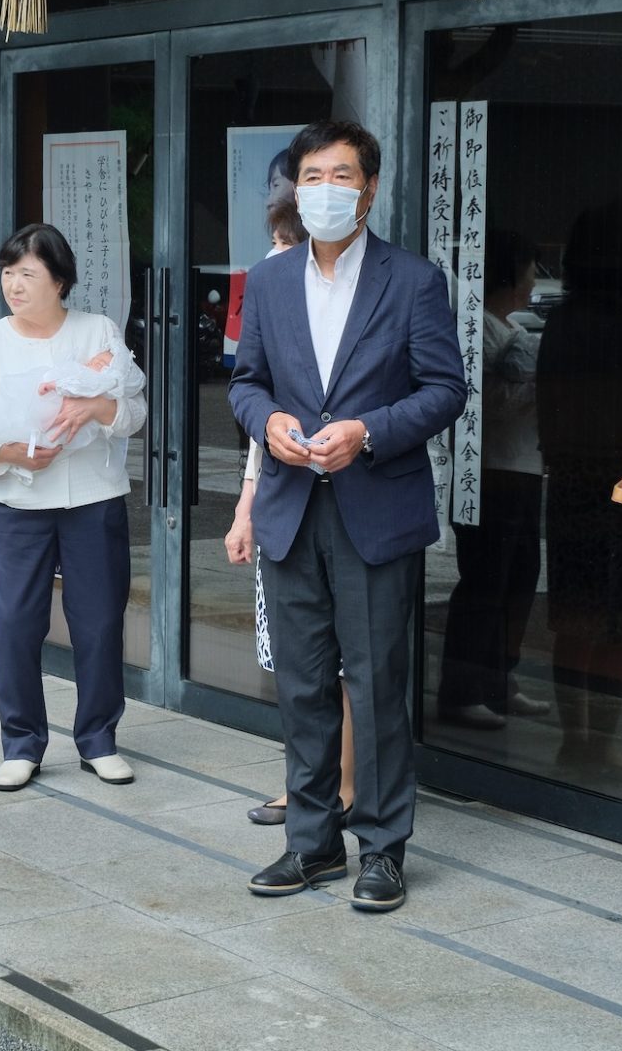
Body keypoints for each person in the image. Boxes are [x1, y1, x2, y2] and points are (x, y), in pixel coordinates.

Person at [229, 119, 466, 912]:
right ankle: (311, 843)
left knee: (376, 685)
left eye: (342, 174)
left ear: (369, 188)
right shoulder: (268, 281)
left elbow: (444, 389)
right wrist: (267, 424)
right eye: (313, 174)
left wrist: (369, 431)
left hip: (374, 508)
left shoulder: (412, 280)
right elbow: (245, 381)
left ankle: (384, 849)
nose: (325, 188)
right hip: (291, 509)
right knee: (301, 687)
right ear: (296, 186)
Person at [0, 223, 149, 792]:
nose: (13, 284)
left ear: (60, 281)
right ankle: (21, 743)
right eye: (8, 273)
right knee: (15, 622)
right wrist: (9, 454)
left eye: (27, 274)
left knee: (100, 620)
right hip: (15, 499)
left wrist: (96, 410)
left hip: (92, 498)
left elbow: (135, 414)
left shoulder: (96, 332)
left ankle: (99, 739)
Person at [224, 195, 355, 828]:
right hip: (284, 503)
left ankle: (351, 787)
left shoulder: (359, 296)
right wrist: (246, 509)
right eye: (276, 242)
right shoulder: (274, 297)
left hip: (356, 502)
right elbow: (254, 415)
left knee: (353, 662)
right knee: (298, 666)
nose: (277, 255)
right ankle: (308, 794)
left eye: (287, 242)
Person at [537, 204, 622, 773]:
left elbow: (548, 412)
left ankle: (571, 738)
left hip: (569, 481)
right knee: (619, 621)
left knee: (573, 616)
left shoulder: (559, 323)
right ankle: (600, 743)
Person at [436, 230, 549, 729]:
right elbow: (480, 406)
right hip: (488, 471)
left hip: (521, 468)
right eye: (529, 268)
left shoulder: (509, 326)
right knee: (486, 583)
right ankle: (462, 690)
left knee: (519, 580)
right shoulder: (477, 328)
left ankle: (499, 680)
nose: (533, 280)